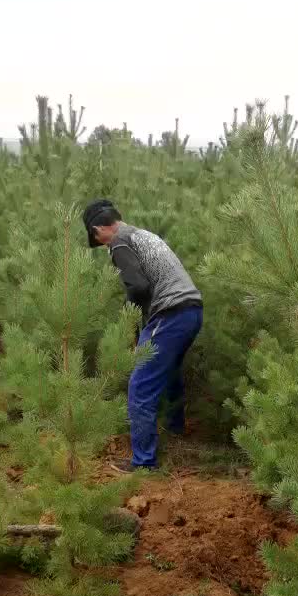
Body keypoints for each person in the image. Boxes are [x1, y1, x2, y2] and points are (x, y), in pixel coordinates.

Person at [83, 199, 203, 470]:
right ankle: (175, 430)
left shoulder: (119, 241)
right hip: (192, 310)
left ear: (98, 229)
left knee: (140, 386)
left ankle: (143, 464)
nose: (102, 245)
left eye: (97, 239)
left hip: (171, 313)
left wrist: (130, 324)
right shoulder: (144, 234)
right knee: (169, 372)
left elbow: (137, 287)